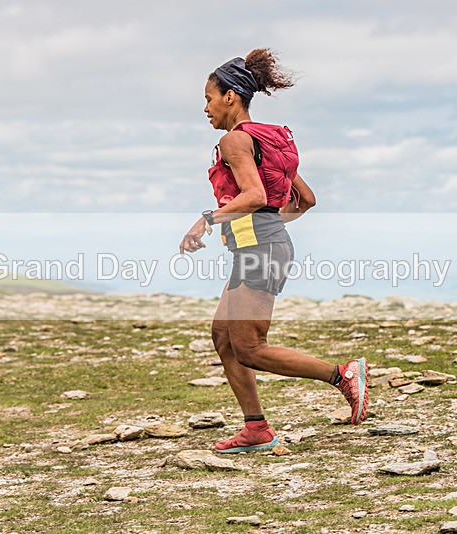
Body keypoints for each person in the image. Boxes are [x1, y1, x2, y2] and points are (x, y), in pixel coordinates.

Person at [179, 49, 369, 454]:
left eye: (209, 98)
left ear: (231, 96)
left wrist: (208, 219)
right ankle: (256, 429)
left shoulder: (234, 140)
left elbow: (253, 195)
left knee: (249, 347)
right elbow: (305, 200)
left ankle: (342, 375)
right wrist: (266, 225)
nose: (205, 108)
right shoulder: (271, 138)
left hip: (259, 250)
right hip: (260, 245)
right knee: (224, 338)